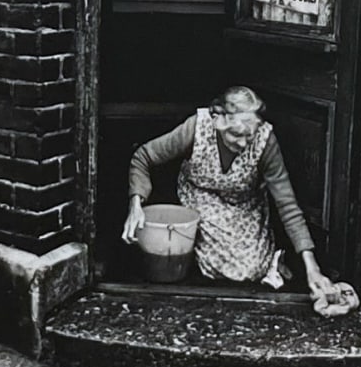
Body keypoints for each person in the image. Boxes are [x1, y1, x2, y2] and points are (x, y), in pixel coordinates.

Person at [123, 86, 332, 298]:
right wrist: (136, 205)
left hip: (243, 203)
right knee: (217, 265)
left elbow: (287, 204)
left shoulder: (265, 139)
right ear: (218, 120)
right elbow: (143, 158)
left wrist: (312, 267)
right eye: (235, 134)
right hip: (200, 197)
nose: (242, 143)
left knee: (252, 268)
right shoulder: (197, 127)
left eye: (248, 137)